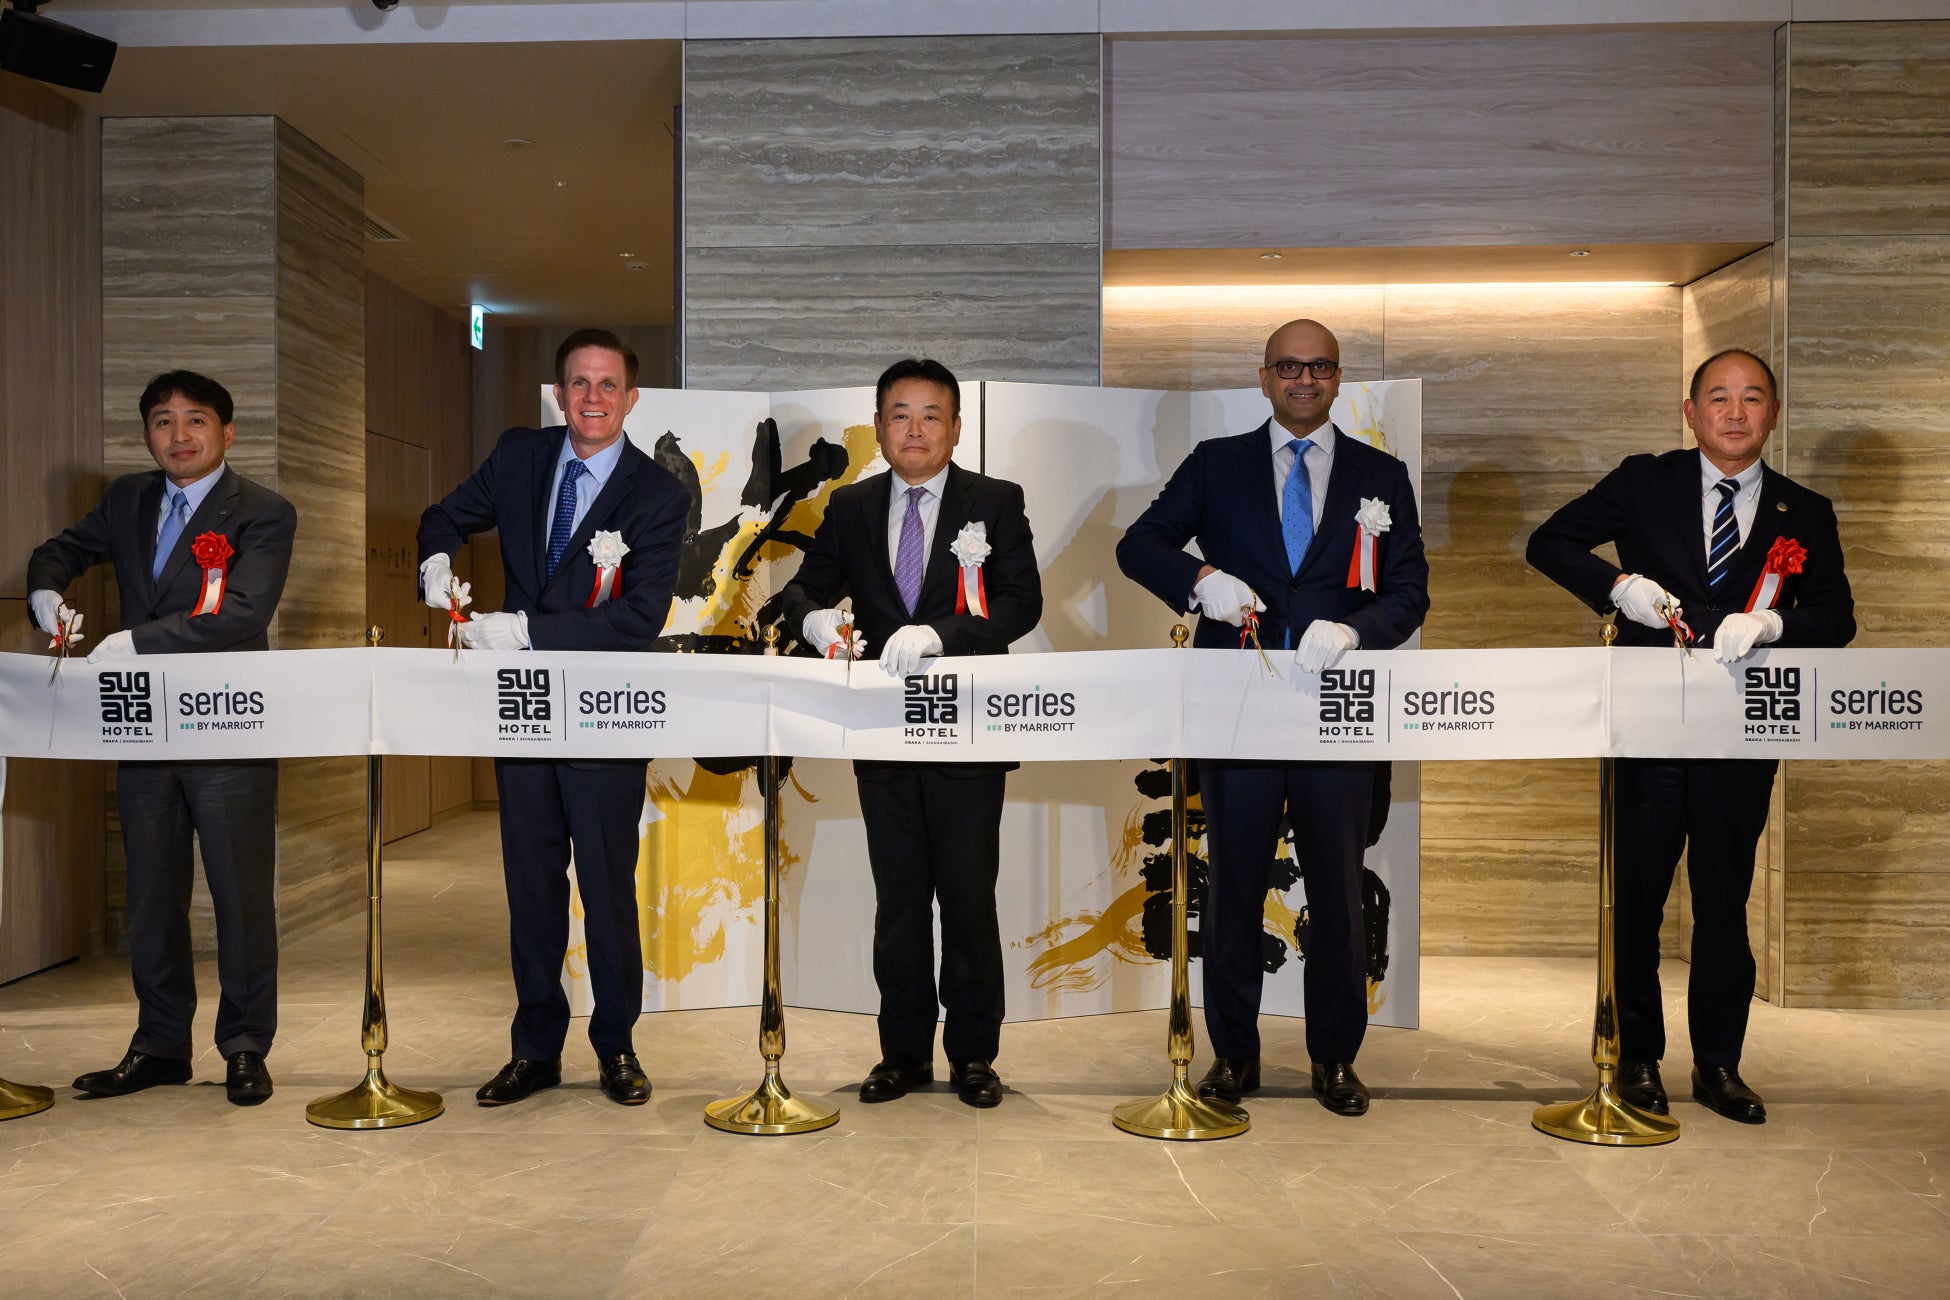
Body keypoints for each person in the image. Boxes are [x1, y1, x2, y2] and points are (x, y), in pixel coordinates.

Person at [1527, 347, 1854, 1125]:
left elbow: (1838, 617)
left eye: (1752, 398)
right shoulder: (1647, 481)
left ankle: (1719, 1064)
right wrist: (1619, 587)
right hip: (1646, 723)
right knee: (1636, 900)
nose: (1735, 413)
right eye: (1719, 398)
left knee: (1724, 902)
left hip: (1738, 733)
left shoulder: (1803, 510)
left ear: (1773, 413)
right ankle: (1636, 1058)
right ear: (1691, 412)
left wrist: (1774, 623)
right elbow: (1550, 543)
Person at [1117, 319, 1428, 1116]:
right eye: (1289, 366)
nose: (1304, 379)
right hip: (1240, 713)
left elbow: (1409, 592)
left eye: (1319, 367)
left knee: (1338, 892)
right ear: (1264, 378)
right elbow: (1139, 546)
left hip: (1337, 717)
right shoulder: (1216, 464)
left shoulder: (1381, 476)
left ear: (1338, 378)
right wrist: (1202, 581)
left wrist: (1357, 631)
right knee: (1233, 890)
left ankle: (1335, 1058)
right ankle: (1234, 1057)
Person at [417, 329, 687, 1106]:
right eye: (579, 383)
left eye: (607, 385)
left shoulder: (658, 493)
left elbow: (638, 618)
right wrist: (436, 560)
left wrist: (529, 630)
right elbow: (444, 515)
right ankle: (534, 1049)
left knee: (605, 887)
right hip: (525, 714)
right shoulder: (520, 456)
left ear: (631, 398)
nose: (592, 397)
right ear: (559, 393)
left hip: (603, 717)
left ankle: (617, 1047)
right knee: (531, 886)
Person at [778, 358, 1043, 1108]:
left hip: (967, 733)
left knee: (967, 898)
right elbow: (802, 589)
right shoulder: (852, 506)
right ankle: (901, 1054)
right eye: (900, 415)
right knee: (898, 901)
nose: (916, 430)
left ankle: (974, 1056)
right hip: (883, 734)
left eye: (931, 416)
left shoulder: (995, 500)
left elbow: (1021, 603)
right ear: (879, 425)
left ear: (956, 427)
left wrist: (941, 635)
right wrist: (813, 620)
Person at [27, 371, 296, 1106]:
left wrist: (137, 642)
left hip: (227, 726)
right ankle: (159, 1044)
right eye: (162, 421)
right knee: (150, 895)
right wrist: (46, 591)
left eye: (196, 420)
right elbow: (62, 548)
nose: (179, 436)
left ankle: (245, 1045)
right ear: (146, 433)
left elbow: (244, 611)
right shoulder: (129, 499)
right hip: (145, 729)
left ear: (227, 432)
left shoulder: (264, 511)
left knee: (241, 897)